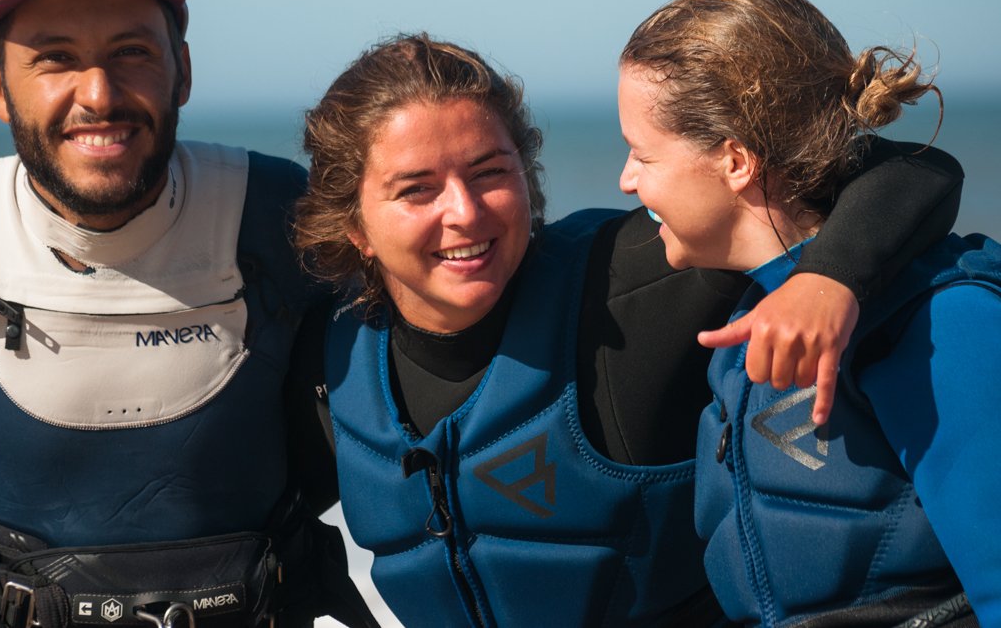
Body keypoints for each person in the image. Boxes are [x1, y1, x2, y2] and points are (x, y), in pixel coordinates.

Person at [288, 32, 964, 627]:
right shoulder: (334, 363)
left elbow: (903, 169)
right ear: (353, 225)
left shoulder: (626, 285)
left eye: (490, 172)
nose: (465, 212)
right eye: (416, 189)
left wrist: (829, 278)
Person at [0, 0, 373, 626]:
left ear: (182, 70)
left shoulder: (279, 212)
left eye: (131, 52)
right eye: (55, 57)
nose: (99, 95)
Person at [617, 0, 1000, 626]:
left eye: (642, 154)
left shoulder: (944, 323)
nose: (627, 180)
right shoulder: (741, 314)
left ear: (735, 161)